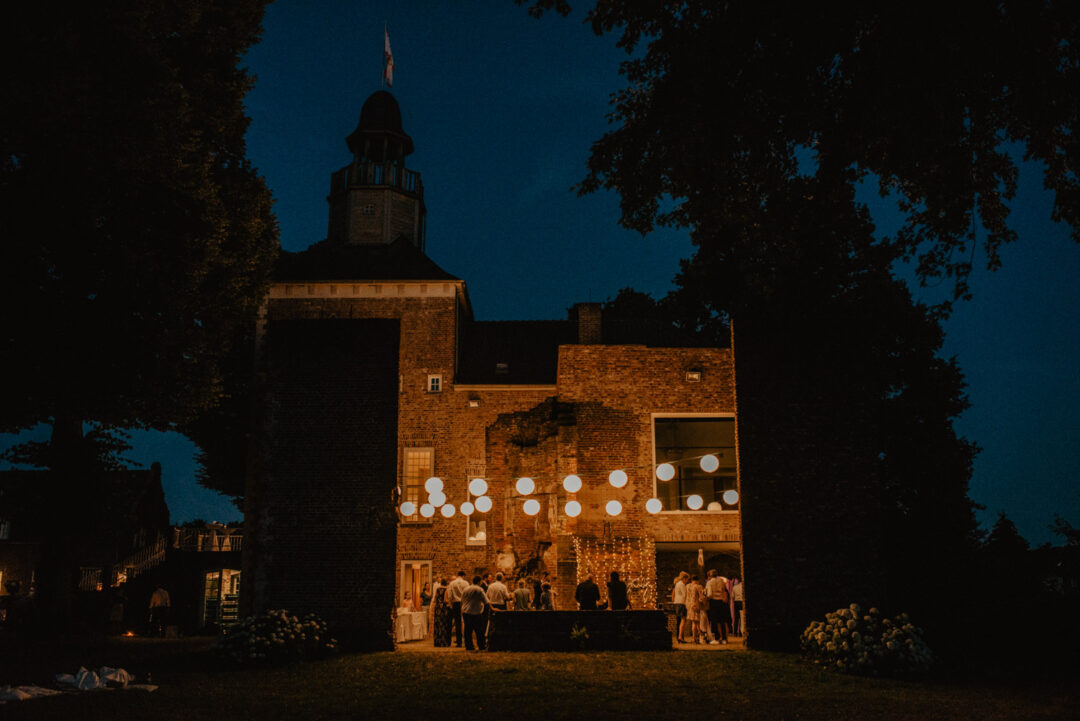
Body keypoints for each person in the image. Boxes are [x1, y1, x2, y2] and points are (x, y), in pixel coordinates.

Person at [460, 575, 492, 650]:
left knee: (468, 630)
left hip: (466, 611)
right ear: (479, 582)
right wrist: (492, 608)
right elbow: (486, 601)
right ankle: (481, 645)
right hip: (476, 612)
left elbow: (462, 600)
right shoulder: (479, 589)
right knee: (479, 631)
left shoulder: (466, 589)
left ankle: (469, 645)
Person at [684, 574, 712, 644]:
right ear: (697, 580)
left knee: (694, 622)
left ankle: (695, 638)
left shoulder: (687, 586)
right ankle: (700, 637)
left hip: (689, 605)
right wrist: (706, 601)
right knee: (697, 622)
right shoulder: (698, 586)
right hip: (696, 606)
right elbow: (701, 597)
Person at [704, 569, 729, 644]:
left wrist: (706, 597)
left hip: (713, 602)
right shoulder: (721, 581)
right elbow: (724, 590)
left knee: (714, 621)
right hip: (721, 602)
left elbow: (710, 594)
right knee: (722, 621)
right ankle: (724, 638)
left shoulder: (709, 582)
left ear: (710, 575)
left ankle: (717, 638)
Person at [446, 570, 470, 647]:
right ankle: (467, 641)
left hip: (456, 603)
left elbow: (450, 595)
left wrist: (450, 604)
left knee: (457, 622)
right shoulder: (466, 583)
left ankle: (459, 642)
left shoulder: (452, 583)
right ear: (463, 576)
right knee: (466, 621)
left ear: (458, 575)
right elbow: (468, 594)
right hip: (464, 602)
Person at [432, 577, 452, 647]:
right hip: (443, 608)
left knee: (437, 624)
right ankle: (443, 642)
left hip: (437, 607)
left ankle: (437, 642)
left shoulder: (437, 589)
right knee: (443, 624)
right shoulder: (446, 589)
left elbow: (435, 598)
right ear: (446, 583)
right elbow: (445, 600)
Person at [672, 571, 689, 643]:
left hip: (676, 603)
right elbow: (685, 595)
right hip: (682, 603)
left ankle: (680, 637)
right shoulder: (682, 584)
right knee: (683, 620)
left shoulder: (677, 584)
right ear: (684, 578)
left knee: (679, 621)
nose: (687, 581)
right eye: (687, 579)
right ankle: (680, 637)